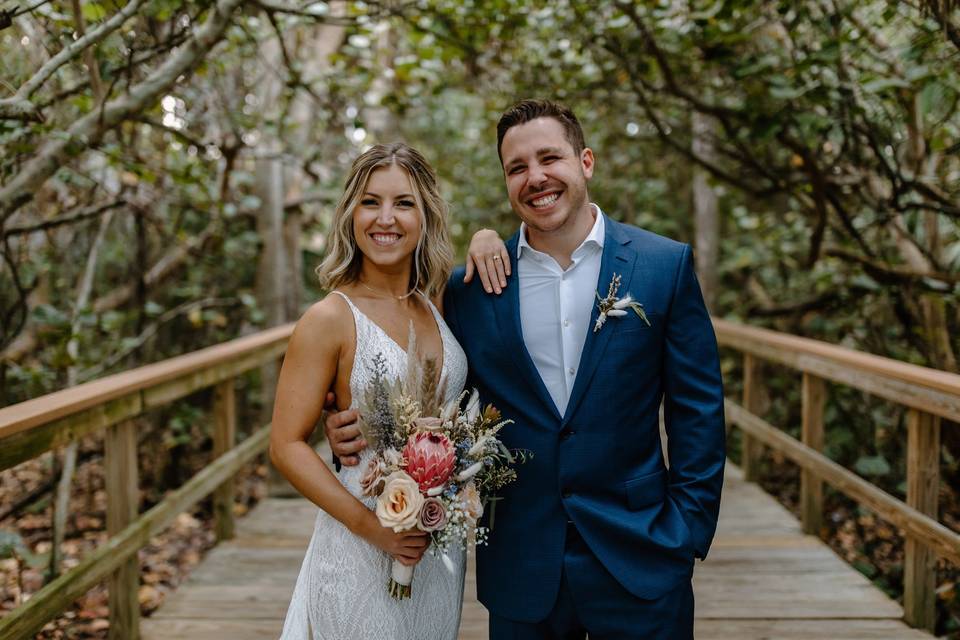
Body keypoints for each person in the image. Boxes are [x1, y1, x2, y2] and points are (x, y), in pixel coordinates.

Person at [326, 99, 726, 639]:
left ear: (585, 162)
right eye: (517, 167)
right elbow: (435, 397)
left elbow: (697, 409)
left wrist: (688, 530)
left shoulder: (662, 267)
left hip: (643, 553)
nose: (535, 177)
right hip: (522, 563)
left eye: (550, 159)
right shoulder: (474, 290)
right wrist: (351, 423)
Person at [269, 142, 471, 639]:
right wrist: (374, 529)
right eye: (370, 202)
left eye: (404, 203)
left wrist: (486, 238)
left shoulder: (435, 304)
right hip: (359, 545)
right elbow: (285, 445)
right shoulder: (329, 318)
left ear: (425, 216)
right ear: (350, 215)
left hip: (435, 553)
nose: (386, 218)